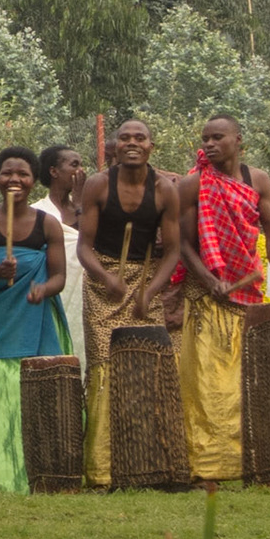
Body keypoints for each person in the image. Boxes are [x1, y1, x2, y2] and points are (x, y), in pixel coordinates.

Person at [171, 114, 270, 483]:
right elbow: (182, 243)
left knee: (245, 378)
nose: (209, 144)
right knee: (205, 380)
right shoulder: (193, 185)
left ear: (239, 140)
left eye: (218, 137)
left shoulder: (259, 180)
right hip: (206, 295)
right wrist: (207, 279)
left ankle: (246, 461)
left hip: (248, 291)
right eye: (205, 138)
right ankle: (205, 465)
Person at [74, 118, 182, 487]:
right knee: (105, 368)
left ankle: (147, 464)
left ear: (152, 146)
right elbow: (83, 247)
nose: (132, 143)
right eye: (124, 138)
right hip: (105, 279)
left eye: (140, 138)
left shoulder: (166, 190)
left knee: (146, 369)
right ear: (114, 147)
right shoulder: (98, 185)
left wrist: (151, 291)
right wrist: (106, 279)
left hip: (146, 281)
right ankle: (103, 470)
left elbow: (174, 250)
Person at [0, 147, 68, 493]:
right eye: (8, 173)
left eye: (22, 174)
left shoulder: (46, 224)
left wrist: (42, 289)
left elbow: (59, 278)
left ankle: (36, 471)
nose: (14, 180)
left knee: (28, 398)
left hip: (30, 320)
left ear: (34, 180)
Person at [32, 143, 92, 365]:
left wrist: (79, 204)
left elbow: (91, 242)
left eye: (82, 164)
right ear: (53, 171)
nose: (81, 171)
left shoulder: (88, 209)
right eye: (74, 165)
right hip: (52, 295)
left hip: (86, 299)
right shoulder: (38, 212)